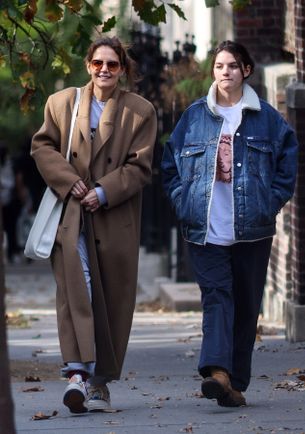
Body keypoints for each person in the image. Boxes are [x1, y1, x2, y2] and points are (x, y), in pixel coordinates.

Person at [161, 40, 298, 408]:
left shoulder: (267, 118)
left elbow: (287, 166)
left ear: (246, 71)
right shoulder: (193, 117)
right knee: (217, 297)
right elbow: (170, 166)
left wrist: (269, 203)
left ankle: (234, 384)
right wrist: (183, 202)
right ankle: (218, 372)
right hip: (204, 228)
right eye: (219, 66)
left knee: (246, 301)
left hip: (252, 229)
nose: (225, 72)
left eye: (233, 66)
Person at [31, 36, 157, 413]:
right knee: (77, 289)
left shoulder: (141, 111)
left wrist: (102, 192)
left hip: (113, 216)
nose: (104, 70)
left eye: (112, 64)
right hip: (71, 215)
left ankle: (98, 379)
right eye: (98, 63)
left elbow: (141, 166)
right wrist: (72, 182)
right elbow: (42, 147)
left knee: (113, 300)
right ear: (88, 65)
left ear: (122, 69)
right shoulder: (61, 103)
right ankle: (78, 375)